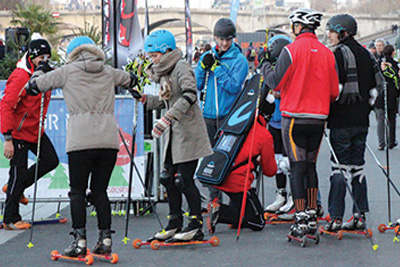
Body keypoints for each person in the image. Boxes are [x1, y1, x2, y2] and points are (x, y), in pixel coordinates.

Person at [26, 36, 138, 257]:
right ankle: (105, 239)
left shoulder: (67, 72)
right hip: (108, 141)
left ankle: (79, 242)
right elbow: (132, 80)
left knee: (77, 191)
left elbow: (33, 87)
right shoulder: (107, 71)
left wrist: (41, 69)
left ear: (72, 53)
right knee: (100, 191)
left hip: (80, 141)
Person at [261, 8, 339, 239]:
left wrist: (265, 64)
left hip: (294, 117)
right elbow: (334, 92)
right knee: (310, 167)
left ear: (298, 27)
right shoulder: (327, 53)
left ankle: (301, 217)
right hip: (318, 119)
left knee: (297, 167)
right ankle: (313, 214)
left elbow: (275, 82)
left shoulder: (290, 50)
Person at [142, 30, 213, 241]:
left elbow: (190, 95)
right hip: (173, 135)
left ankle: (195, 223)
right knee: (167, 179)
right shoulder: (163, 70)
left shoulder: (181, 66)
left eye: (154, 55)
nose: (152, 60)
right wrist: (145, 99)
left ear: (166, 51)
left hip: (188, 132)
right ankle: (174, 222)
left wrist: (167, 119)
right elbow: (166, 101)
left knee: (184, 179)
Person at [325, 14, 379, 232]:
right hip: (362, 121)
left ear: (343, 32)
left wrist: (326, 113)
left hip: (341, 121)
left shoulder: (337, 54)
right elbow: (375, 91)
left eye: (331, 31)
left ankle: (336, 218)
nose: (328, 35)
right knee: (358, 167)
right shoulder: (367, 54)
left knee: (338, 168)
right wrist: (364, 109)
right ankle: (359, 215)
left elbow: (333, 90)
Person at [0, 36, 59, 230]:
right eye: (41, 56)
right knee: (17, 172)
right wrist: (7, 137)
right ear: (32, 57)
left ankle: (17, 189)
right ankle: (10, 218)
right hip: (18, 132)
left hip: (35, 130)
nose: (45, 60)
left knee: (51, 160)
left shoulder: (44, 73)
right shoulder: (21, 76)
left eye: (47, 56)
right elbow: (6, 106)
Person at [206, 90, 278, 233]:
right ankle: (219, 212)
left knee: (243, 205)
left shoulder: (234, 123)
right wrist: (259, 160)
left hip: (220, 174)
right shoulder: (264, 135)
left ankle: (233, 213)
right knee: (258, 222)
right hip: (238, 183)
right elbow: (271, 171)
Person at [195, 17, 248, 203]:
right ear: (215, 38)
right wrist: (202, 67)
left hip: (229, 117)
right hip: (208, 116)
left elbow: (234, 87)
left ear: (233, 39)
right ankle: (214, 200)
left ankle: (235, 201)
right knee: (210, 160)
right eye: (221, 39)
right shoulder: (207, 56)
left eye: (228, 39)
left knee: (229, 161)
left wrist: (217, 69)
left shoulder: (239, 60)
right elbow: (197, 84)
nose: (224, 43)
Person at [261, 35, 293, 214]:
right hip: (273, 121)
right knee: (278, 160)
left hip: (288, 119)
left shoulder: (290, 67)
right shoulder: (271, 69)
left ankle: (293, 197)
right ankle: (280, 194)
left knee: (291, 161)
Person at [375, 44, 399, 150]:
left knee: (380, 119)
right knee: (391, 119)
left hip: (380, 94)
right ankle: (391, 141)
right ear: (393, 52)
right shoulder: (394, 64)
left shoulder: (378, 63)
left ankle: (381, 143)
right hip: (392, 95)